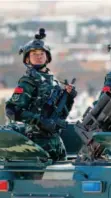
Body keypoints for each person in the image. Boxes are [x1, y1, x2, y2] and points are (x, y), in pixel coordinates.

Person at [5, 28, 77, 161]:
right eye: (34, 54)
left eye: (41, 53)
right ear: (27, 59)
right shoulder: (28, 81)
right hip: (36, 143)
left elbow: (62, 114)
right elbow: (12, 110)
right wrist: (39, 120)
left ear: (47, 57)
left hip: (55, 141)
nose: (38, 56)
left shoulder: (53, 81)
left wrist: (69, 98)